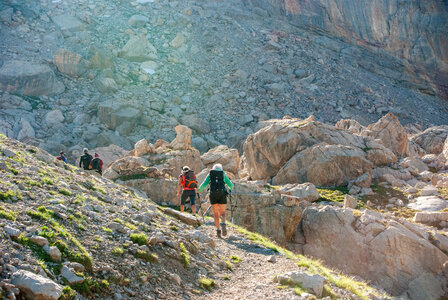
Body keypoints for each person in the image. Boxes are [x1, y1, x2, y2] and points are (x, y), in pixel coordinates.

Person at [198, 163, 234, 238]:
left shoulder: (210, 174)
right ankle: (223, 223)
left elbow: (204, 184)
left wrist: (199, 190)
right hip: (222, 195)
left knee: (215, 214)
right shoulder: (223, 174)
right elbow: (231, 185)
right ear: (221, 169)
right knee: (223, 213)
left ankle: (218, 230)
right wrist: (230, 188)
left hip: (213, 195)